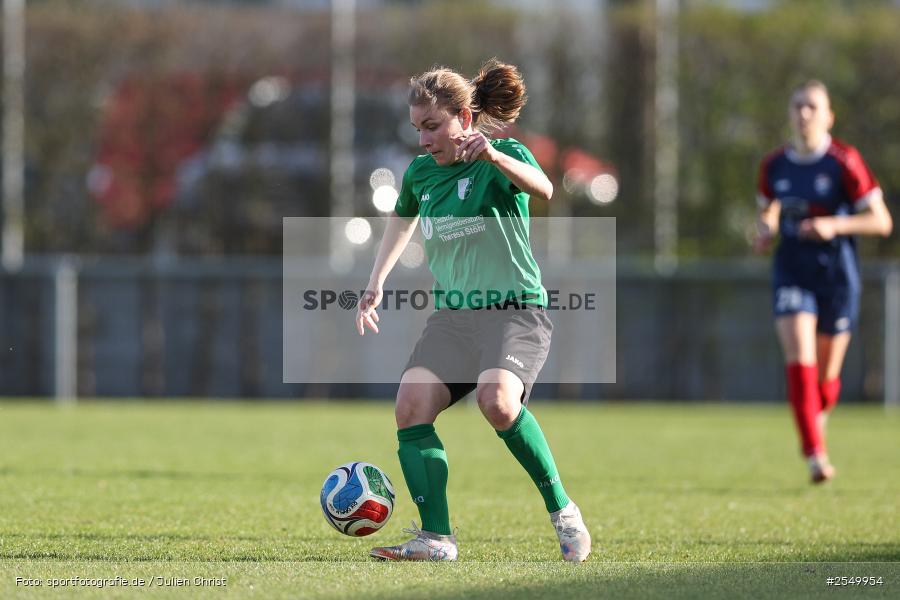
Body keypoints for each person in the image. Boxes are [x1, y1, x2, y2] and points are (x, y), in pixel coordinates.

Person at [355, 59, 591, 562]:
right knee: (410, 406)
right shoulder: (421, 172)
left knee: (499, 402)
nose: (423, 141)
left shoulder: (503, 155)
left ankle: (564, 513)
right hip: (455, 317)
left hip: (514, 311)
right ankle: (435, 539)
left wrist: (495, 159)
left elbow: (544, 188)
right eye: (418, 129)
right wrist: (376, 282)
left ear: (464, 116)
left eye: (433, 127)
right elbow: (402, 222)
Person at [753, 80, 892, 484]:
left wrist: (834, 224)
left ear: (829, 116)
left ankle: (819, 413)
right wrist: (764, 230)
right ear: (790, 113)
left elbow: (882, 222)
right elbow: (768, 214)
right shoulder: (774, 164)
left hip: (837, 274)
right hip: (792, 269)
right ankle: (815, 454)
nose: (804, 113)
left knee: (826, 379)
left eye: (813, 106)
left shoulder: (845, 161)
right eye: (798, 105)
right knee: (800, 357)